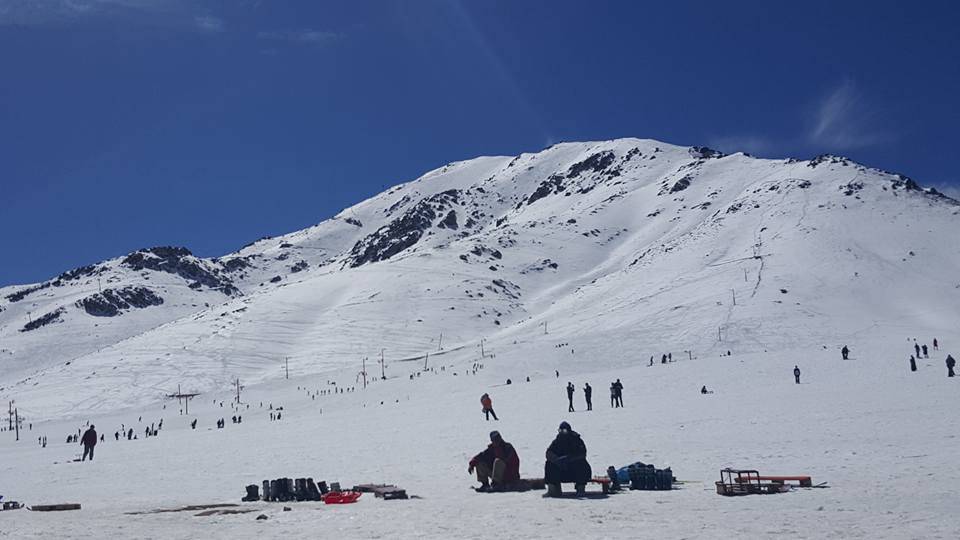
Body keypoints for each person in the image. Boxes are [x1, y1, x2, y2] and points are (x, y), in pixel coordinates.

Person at [544, 421, 592, 497]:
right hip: (562, 470)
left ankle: (580, 489)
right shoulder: (557, 441)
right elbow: (549, 452)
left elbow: (582, 454)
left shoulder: (576, 440)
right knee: (549, 464)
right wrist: (556, 460)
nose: (562, 433)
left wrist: (569, 459)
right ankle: (553, 490)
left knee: (581, 464)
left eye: (564, 431)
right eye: (560, 431)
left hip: (574, 470)